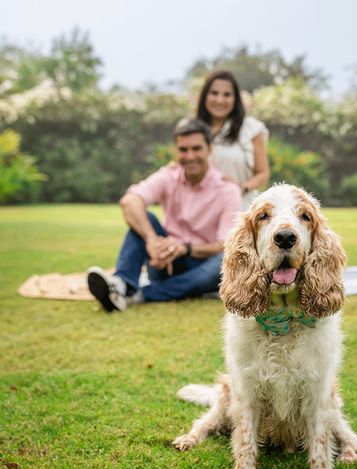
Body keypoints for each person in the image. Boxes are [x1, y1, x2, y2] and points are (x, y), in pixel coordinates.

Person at [87, 119, 241, 312]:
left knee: (225, 261)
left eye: (196, 148)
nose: (190, 156)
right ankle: (122, 283)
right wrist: (152, 241)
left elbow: (224, 244)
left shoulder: (228, 190)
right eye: (183, 150)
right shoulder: (168, 176)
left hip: (203, 266)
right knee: (145, 218)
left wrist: (185, 248)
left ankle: (137, 294)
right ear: (176, 151)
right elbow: (130, 201)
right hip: (164, 261)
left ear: (209, 149)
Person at [196, 70, 270, 209]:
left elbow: (263, 173)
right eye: (214, 93)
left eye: (227, 95)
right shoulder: (194, 130)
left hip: (241, 208)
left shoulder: (251, 128)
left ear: (235, 99)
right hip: (203, 210)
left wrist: (241, 188)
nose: (220, 100)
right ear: (205, 96)